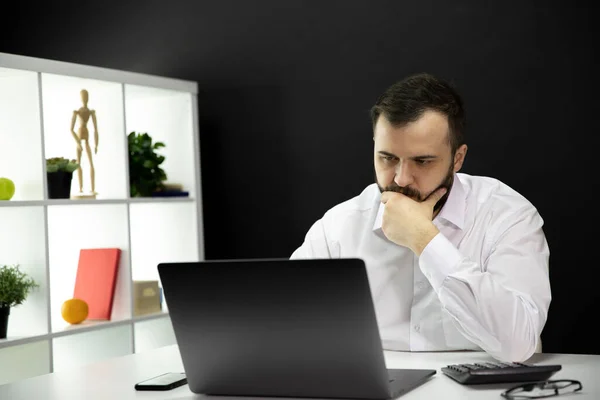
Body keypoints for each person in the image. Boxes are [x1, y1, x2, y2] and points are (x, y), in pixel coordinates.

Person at [290, 72, 551, 363]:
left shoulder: (507, 216)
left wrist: (425, 241)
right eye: (387, 158)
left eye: (422, 161)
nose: (401, 179)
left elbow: (518, 345)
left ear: (458, 159)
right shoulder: (338, 228)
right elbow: (287, 328)